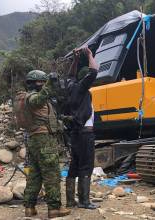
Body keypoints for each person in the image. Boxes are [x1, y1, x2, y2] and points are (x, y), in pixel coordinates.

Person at [21, 70, 71, 218]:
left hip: (34, 140)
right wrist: (49, 83)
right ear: (35, 83)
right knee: (52, 174)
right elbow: (39, 100)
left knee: (35, 175)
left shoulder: (26, 98)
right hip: (44, 140)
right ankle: (54, 208)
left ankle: (29, 208)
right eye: (41, 82)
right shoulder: (32, 97)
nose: (43, 84)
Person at [65, 47, 99, 209]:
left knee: (74, 165)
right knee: (86, 166)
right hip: (85, 134)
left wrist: (76, 59)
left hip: (75, 133)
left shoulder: (70, 86)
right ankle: (84, 201)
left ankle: (71, 200)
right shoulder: (81, 88)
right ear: (84, 78)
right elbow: (94, 71)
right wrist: (89, 55)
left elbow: (70, 75)